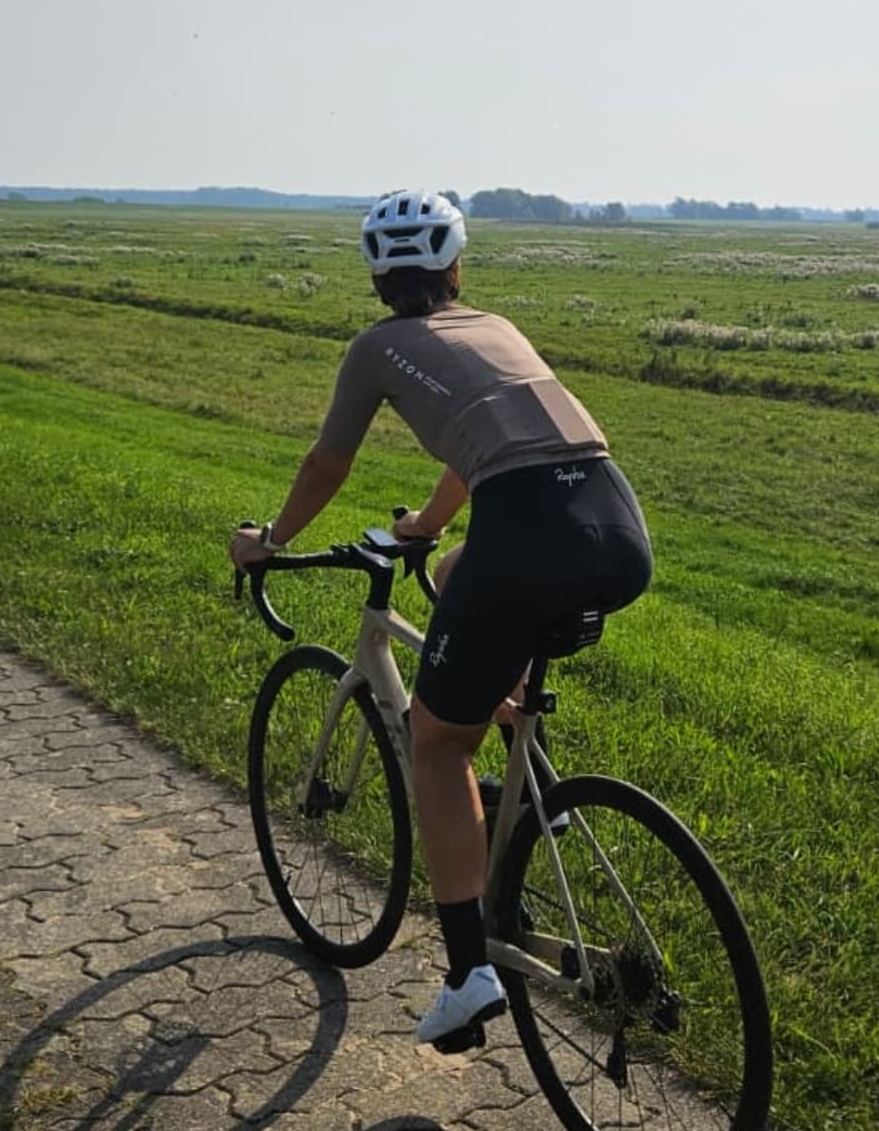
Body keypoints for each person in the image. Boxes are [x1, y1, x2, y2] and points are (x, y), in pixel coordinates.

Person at [229, 189, 653, 1047]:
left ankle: (467, 975)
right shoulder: (495, 327)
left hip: (526, 529)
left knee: (431, 737)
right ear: (458, 266)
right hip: (616, 523)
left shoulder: (377, 348)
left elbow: (327, 465)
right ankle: (532, 788)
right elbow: (489, 446)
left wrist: (270, 540)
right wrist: (426, 527)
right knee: (462, 570)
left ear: (378, 276)